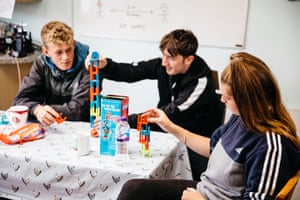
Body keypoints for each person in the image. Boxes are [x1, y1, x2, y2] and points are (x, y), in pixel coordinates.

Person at [116, 52, 300, 200]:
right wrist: (170, 126)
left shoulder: (270, 146)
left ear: (248, 100)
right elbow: (213, 147)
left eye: (228, 97)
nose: (222, 100)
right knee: (133, 188)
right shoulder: (242, 118)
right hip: (205, 189)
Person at [87, 29, 224, 180]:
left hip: (193, 144)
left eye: (170, 57)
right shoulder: (164, 65)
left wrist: (122, 120)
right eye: (163, 55)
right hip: (166, 134)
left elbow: (169, 114)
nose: (164, 62)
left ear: (189, 59)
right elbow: (132, 71)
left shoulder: (200, 82)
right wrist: (106, 65)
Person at [13, 21, 90, 126]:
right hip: (51, 127)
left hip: (82, 128)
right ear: (46, 52)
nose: (65, 57)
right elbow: (20, 100)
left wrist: (45, 109)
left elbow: (77, 111)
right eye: (59, 52)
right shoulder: (41, 64)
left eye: (68, 50)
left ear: (74, 44)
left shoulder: (89, 64)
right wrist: (37, 109)